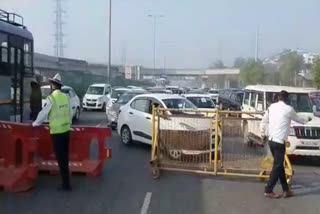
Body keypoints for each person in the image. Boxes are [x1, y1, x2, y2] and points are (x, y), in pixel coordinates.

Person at [260, 90, 308, 199]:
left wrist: (262, 132)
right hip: (280, 142)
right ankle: (268, 190)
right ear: (287, 99)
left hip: (271, 141)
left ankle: (286, 190)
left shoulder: (271, 107)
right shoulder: (289, 109)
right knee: (277, 166)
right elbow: (299, 120)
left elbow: (264, 120)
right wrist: (307, 120)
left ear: (278, 98)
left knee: (279, 165)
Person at [32, 73, 72, 191]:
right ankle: (67, 183)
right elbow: (69, 113)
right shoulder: (66, 97)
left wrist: (35, 123)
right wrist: (69, 124)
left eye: (51, 84)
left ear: (54, 85)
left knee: (61, 159)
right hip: (66, 131)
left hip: (57, 133)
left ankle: (65, 185)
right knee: (65, 158)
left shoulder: (51, 98)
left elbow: (43, 113)